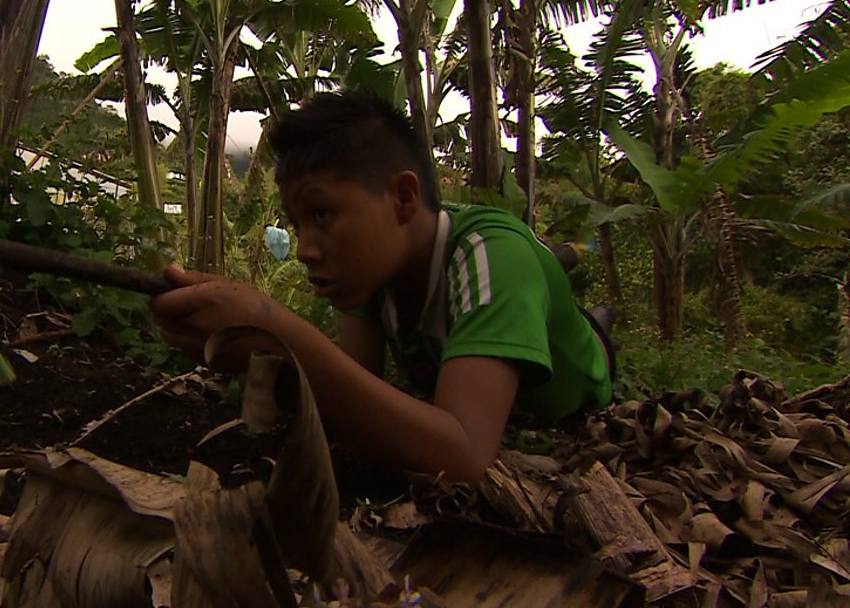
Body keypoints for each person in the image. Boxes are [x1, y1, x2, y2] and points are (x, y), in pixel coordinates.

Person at [149, 91, 613, 484]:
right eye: (298, 224)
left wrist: (275, 328)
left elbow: (466, 456)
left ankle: (593, 319)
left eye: (322, 214)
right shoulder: (371, 272)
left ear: (404, 197)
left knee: (577, 322)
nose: (305, 250)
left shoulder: (492, 256)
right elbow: (355, 394)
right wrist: (258, 352)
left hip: (580, 374)